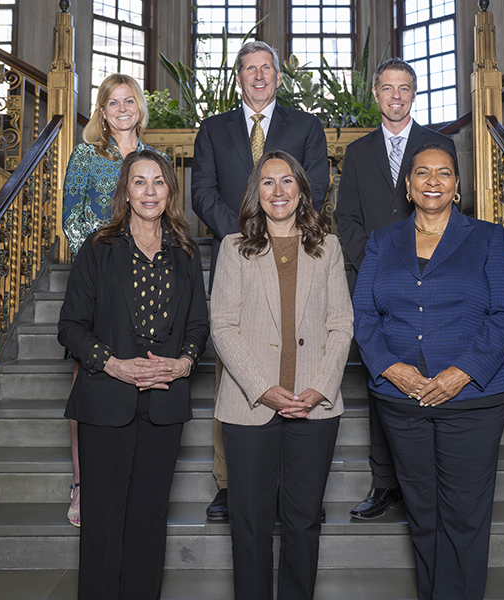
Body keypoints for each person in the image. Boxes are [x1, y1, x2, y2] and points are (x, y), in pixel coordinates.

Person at [352, 142, 504, 600]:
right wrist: (391, 368)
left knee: (464, 517)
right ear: (408, 187)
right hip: (401, 401)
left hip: (471, 401)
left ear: (457, 187)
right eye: (422, 173)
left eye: (443, 173)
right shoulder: (381, 241)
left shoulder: (488, 238)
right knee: (423, 514)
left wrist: (462, 372)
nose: (432, 180)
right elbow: (364, 315)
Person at [58, 149, 209, 600]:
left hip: (164, 405)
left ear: (170, 191)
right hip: (105, 402)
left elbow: (199, 325)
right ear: (126, 190)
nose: (149, 191)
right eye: (139, 182)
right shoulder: (99, 249)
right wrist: (113, 364)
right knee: (103, 526)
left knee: (149, 521)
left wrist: (184, 362)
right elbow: (69, 327)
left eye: (158, 182)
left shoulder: (185, 252)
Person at [192, 40, 329, 522]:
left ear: (277, 75)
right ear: (239, 77)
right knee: (232, 365)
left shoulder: (307, 127)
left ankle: (294, 480)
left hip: (297, 256)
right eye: (249, 69)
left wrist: (277, 230)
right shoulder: (213, 130)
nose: (258, 76)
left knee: (298, 349)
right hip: (238, 258)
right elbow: (201, 192)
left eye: (266, 68)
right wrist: (248, 234)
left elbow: (314, 184)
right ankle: (230, 482)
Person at [210, 150, 352, 600]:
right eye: (268, 182)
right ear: (257, 192)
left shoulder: (327, 247)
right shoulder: (234, 248)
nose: (278, 191)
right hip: (249, 406)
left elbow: (340, 323)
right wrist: (264, 388)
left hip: (315, 404)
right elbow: (223, 327)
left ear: (301, 191)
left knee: (304, 520)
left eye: (287, 181)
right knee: (249, 524)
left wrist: (319, 388)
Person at [336, 58, 458, 520]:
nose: (396, 96)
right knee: (384, 379)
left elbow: (447, 209)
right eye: (387, 88)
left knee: (430, 374)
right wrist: (373, 265)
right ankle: (385, 483)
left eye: (404, 88)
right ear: (376, 94)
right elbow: (345, 217)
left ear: (414, 93)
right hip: (377, 281)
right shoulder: (359, 152)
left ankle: (425, 486)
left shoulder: (438, 145)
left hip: (433, 282)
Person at [61, 73, 168, 526]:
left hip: (149, 283)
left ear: (139, 108)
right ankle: (83, 482)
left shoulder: (156, 159)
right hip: (100, 280)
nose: (122, 109)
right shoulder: (87, 155)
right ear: (102, 112)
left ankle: (132, 480)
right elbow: (73, 217)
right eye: (112, 102)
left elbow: (169, 217)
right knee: (86, 381)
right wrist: (107, 263)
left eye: (130, 101)